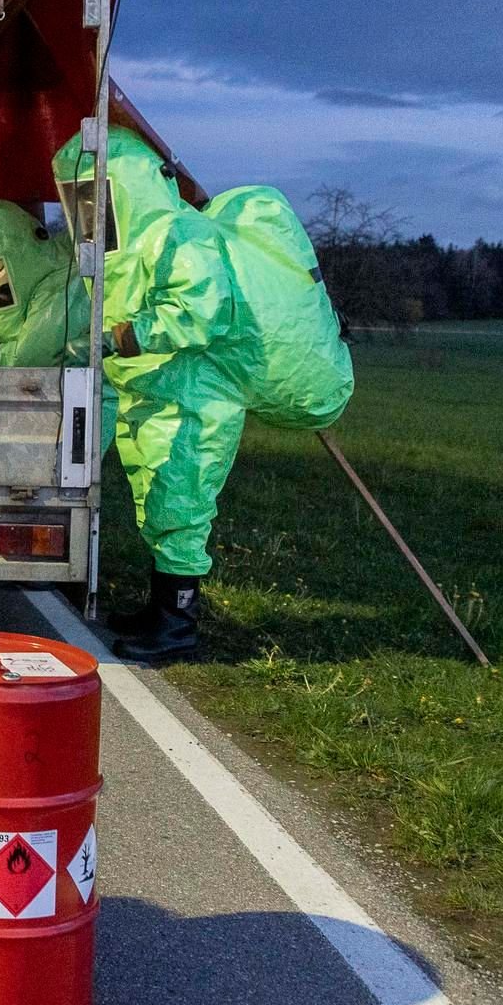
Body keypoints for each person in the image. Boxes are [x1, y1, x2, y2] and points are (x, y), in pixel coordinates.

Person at [51, 125, 351, 662]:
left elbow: (200, 310)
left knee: (181, 499)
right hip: (166, 391)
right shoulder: (136, 246)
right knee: (160, 496)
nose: (90, 211)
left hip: (197, 393)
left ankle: (178, 626)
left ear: (127, 184)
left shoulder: (178, 235)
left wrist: (122, 337)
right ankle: (161, 611)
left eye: (97, 194)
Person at [0, 200, 116, 455]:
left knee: (65, 480)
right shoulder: (38, 269)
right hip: (52, 404)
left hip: (80, 407)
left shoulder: (62, 284)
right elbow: (14, 308)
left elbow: (32, 358)